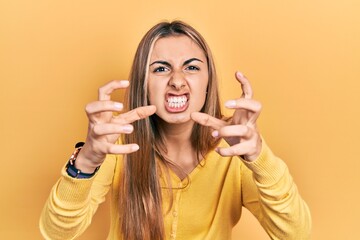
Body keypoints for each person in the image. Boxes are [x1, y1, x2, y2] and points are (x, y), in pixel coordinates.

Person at [40, 21, 311, 240]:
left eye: (191, 67)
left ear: (208, 81)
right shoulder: (118, 144)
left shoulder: (234, 147)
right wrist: (86, 161)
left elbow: (295, 234)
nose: (178, 81)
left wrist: (259, 158)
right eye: (161, 69)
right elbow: (56, 233)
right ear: (143, 84)